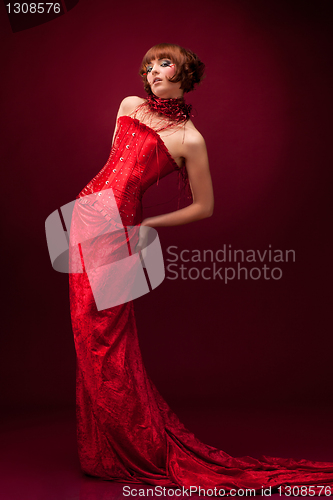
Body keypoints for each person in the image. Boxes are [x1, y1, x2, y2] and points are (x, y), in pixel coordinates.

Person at [69, 43, 333, 494]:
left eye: (164, 63)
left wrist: (147, 221)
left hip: (121, 229)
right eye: (148, 65)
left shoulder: (191, 139)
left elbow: (205, 206)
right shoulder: (129, 105)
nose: (153, 71)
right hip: (85, 213)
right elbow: (114, 168)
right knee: (88, 332)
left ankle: (136, 445)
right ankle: (101, 447)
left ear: (185, 72)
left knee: (106, 335)